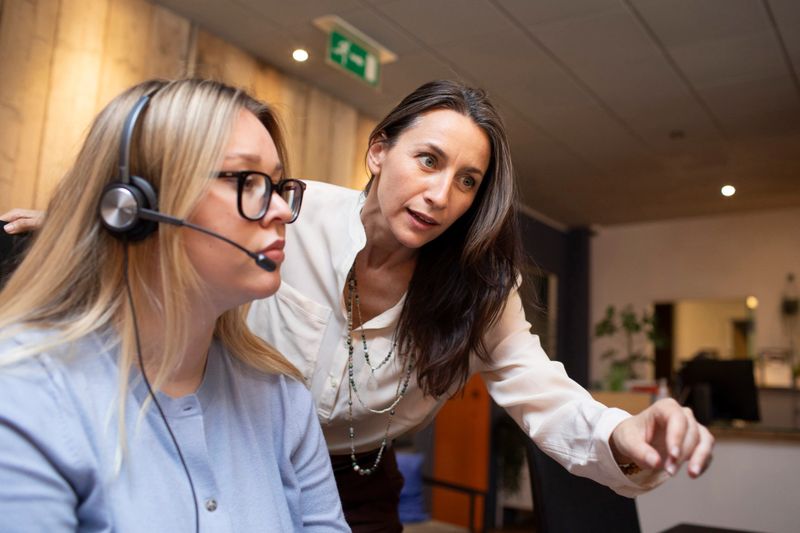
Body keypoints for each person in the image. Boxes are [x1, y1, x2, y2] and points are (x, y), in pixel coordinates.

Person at [3, 80, 714, 532]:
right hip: (232, 444)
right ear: (380, 150)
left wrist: (625, 435)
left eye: (468, 181)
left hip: (358, 477)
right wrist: (91, 229)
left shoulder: (475, 287)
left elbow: (544, 394)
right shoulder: (283, 216)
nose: (442, 195)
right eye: (429, 161)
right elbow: (181, 246)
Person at [0, 79, 348, 532]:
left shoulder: (282, 401)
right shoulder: (26, 393)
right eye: (249, 181)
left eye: (279, 186)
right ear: (132, 208)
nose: (281, 209)